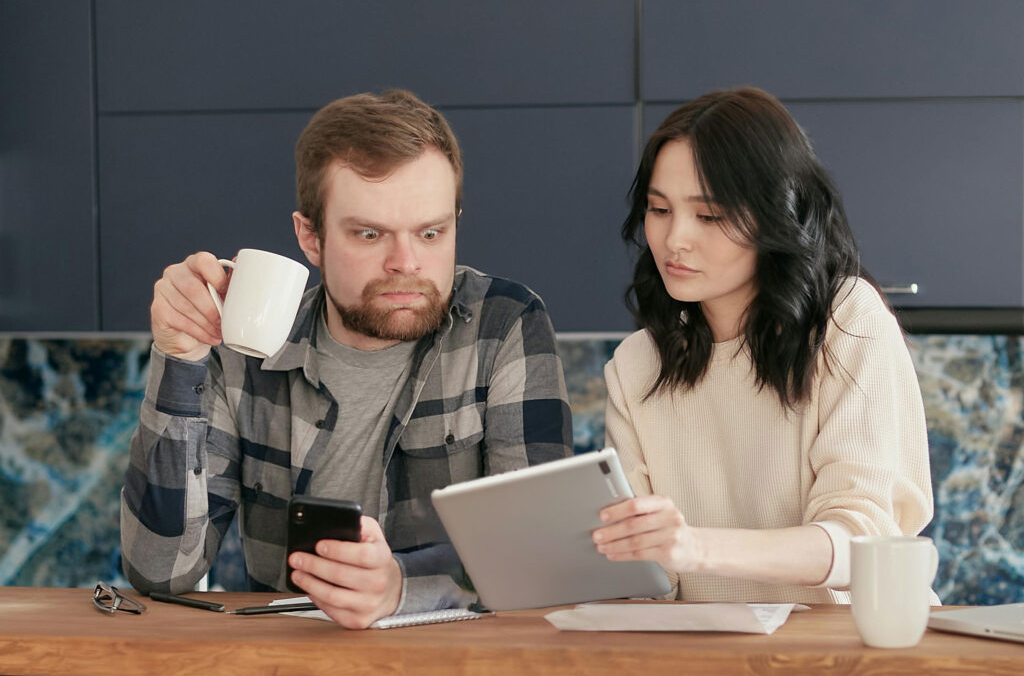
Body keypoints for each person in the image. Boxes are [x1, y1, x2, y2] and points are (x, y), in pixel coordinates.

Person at [120, 89, 573, 628]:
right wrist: (180, 359)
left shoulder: (505, 326)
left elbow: (539, 557)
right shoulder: (245, 345)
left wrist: (400, 587)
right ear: (310, 237)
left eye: (431, 233)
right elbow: (160, 572)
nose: (407, 263)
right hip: (289, 661)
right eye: (369, 234)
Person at [592, 87, 934, 603]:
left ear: (777, 216)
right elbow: (651, 584)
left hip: (844, 652)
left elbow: (860, 537)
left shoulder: (847, 320)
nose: (674, 239)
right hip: (705, 655)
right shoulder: (636, 365)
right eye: (659, 210)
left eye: (708, 216)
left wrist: (694, 547)